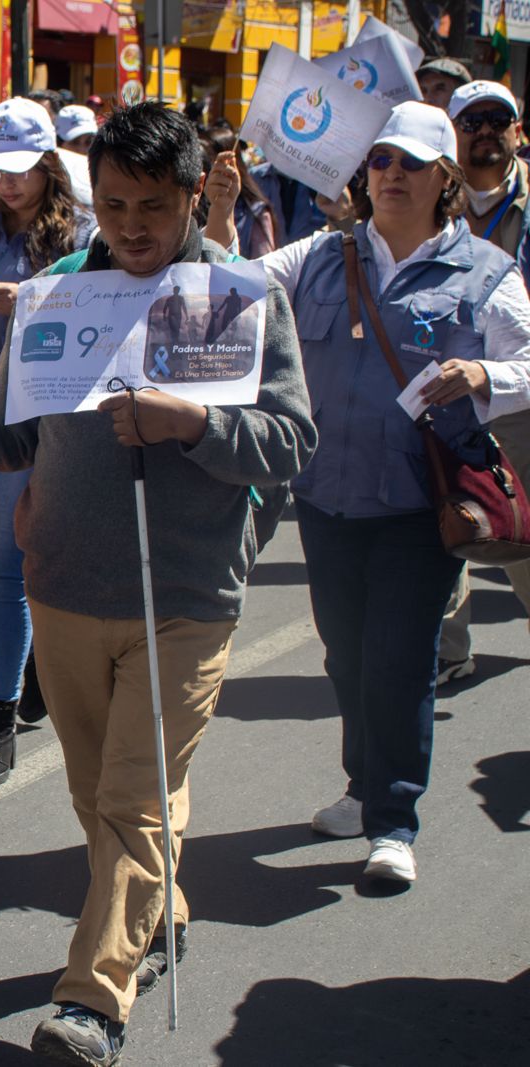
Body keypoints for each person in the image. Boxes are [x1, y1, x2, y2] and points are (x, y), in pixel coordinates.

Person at [0, 103, 315, 1065]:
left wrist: (191, 425)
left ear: (195, 194)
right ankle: (160, 911)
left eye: (152, 206)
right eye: (113, 204)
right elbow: (4, 433)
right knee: (97, 795)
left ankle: (93, 1000)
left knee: (137, 798)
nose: (129, 226)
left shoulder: (240, 295)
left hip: (186, 596)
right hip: (64, 588)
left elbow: (291, 441)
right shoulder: (56, 295)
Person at [208, 101, 530, 887]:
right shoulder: (324, 253)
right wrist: (219, 210)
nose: (391, 175)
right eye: (381, 160)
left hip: (421, 505)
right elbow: (232, 283)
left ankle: (394, 821)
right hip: (327, 497)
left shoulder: (487, 272)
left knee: (399, 661)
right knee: (346, 656)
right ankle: (363, 787)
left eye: (411, 164)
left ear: (444, 178)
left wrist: (483, 373)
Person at [0, 97, 93, 786]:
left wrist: (30, 301)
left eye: (20, 168)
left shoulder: (79, 235)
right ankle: (31, 654)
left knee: (5, 572)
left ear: (47, 163)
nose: (6, 182)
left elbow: (95, 317)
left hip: (36, 418)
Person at [435, 80, 530, 678]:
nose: (487, 131)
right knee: (446, 521)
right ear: (452, 136)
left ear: (518, 132)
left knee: (520, 530)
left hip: (517, 392)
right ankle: (448, 652)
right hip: (440, 390)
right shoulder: (430, 197)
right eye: (472, 122)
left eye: (499, 119)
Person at [201, 127, 279, 258]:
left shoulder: (256, 212)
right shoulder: (196, 203)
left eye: (207, 159)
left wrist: (223, 211)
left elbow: (261, 263)